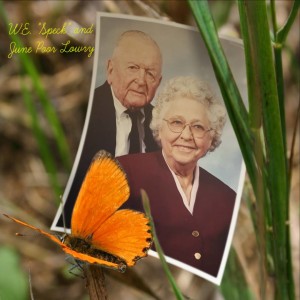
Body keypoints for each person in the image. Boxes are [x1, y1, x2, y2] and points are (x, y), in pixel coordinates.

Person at [118, 76, 236, 277]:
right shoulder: (125, 171)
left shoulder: (227, 198)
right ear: (159, 127)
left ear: (211, 137)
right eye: (176, 123)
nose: (186, 135)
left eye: (198, 127)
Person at [59, 30, 162, 228]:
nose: (141, 80)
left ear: (158, 82)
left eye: (150, 73)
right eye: (133, 68)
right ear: (110, 70)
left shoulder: (167, 125)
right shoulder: (86, 109)